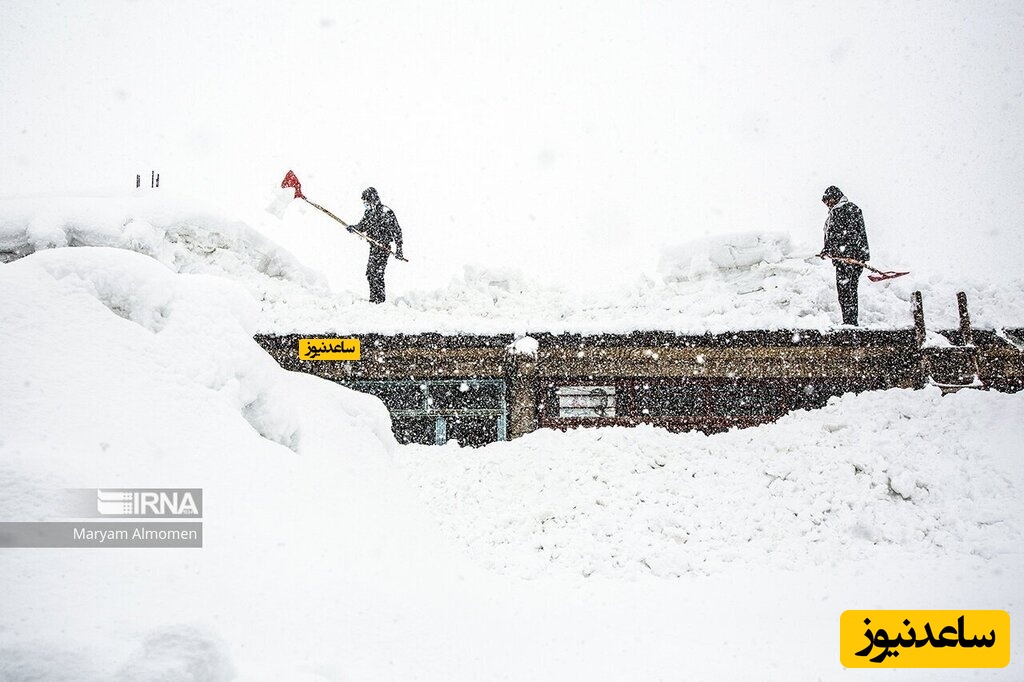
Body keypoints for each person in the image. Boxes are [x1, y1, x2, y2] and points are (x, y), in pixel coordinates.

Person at [818, 185, 869, 326]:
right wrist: (827, 250)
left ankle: (850, 323)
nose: (827, 204)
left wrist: (843, 252)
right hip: (848, 258)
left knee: (846, 290)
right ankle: (850, 322)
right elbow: (835, 236)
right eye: (825, 201)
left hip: (848, 259)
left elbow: (847, 234)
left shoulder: (845, 210)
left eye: (829, 200)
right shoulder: (841, 211)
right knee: (848, 290)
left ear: (837, 197)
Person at [347, 187, 404, 303]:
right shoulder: (369, 213)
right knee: (370, 273)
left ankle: (380, 301)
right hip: (373, 247)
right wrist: (354, 228)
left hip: (383, 247)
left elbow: (397, 232)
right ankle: (374, 299)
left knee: (377, 273)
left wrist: (399, 250)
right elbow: (363, 225)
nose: (365, 205)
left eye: (366, 202)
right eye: (364, 203)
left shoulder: (386, 212)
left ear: (373, 200)